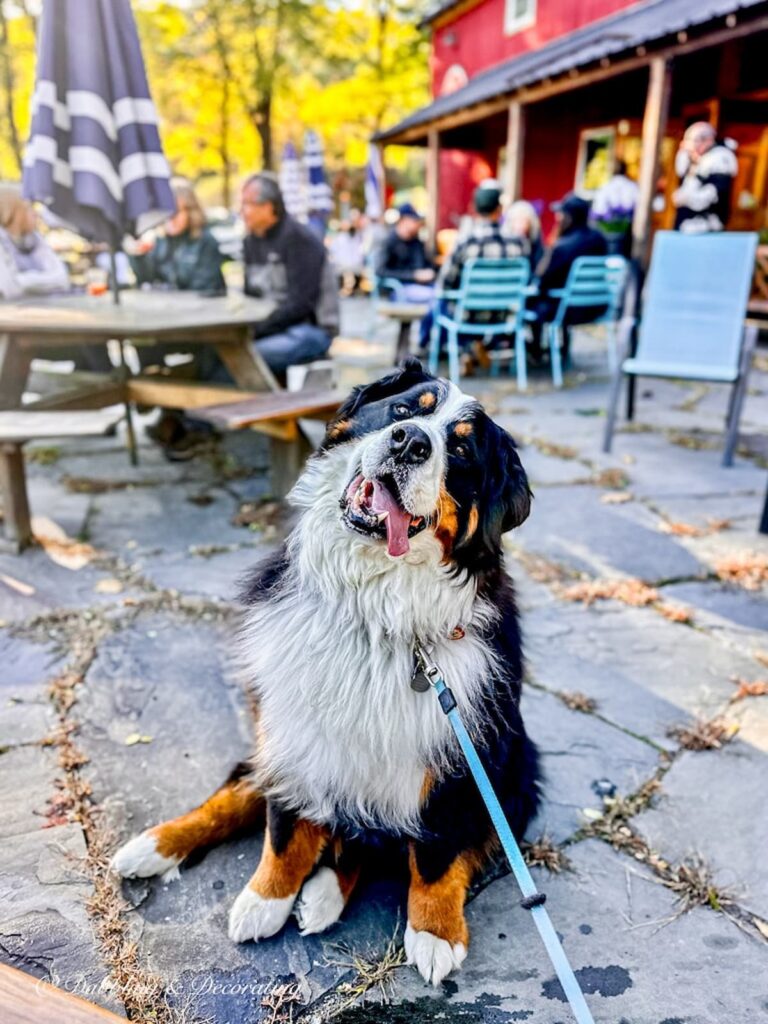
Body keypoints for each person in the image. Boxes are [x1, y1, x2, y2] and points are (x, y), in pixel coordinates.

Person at [240, 172, 339, 379]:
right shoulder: (250, 242)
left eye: (247, 204)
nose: (242, 211)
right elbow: (249, 296)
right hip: (270, 330)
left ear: (268, 207)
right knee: (218, 353)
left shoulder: (299, 239)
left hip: (310, 331)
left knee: (242, 359)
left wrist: (256, 331)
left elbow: (301, 306)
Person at [432, 179, 528, 367]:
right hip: (506, 314)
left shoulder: (465, 241)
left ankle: (464, 348)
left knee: (441, 304)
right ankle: (476, 348)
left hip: (468, 314)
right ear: (499, 209)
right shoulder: (518, 242)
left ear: (474, 209)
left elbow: (445, 283)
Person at [530, 192, 608, 363]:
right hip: (596, 306)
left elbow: (542, 281)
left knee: (535, 301)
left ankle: (535, 352)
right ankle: (561, 350)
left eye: (561, 213)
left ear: (570, 218)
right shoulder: (600, 239)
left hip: (567, 309)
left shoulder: (563, 246)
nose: (558, 217)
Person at [130, 178, 226, 294]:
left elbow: (205, 288)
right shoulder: (159, 242)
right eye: (166, 211)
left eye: (176, 212)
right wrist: (139, 256)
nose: (171, 218)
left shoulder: (206, 242)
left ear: (191, 211)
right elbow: (146, 280)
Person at [0, 183, 69, 300]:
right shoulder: (3, 241)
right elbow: (10, 289)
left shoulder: (35, 239)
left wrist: (23, 280)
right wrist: (46, 280)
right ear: (14, 212)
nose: (35, 213)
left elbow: (63, 279)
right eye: (29, 207)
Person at [673, 122, 738, 234]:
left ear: (708, 141)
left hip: (707, 226)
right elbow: (682, 174)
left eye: (692, 141)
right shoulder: (693, 158)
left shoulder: (720, 159)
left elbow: (710, 195)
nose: (686, 147)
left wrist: (685, 197)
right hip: (685, 224)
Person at [375, 203, 435, 302]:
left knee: (443, 294)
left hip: (422, 286)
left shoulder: (416, 242)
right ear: (404, 220)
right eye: (414, 220)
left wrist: (429, 273)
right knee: (434, 297)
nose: (418, 224)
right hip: (398, 289)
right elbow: (380, 271)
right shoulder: (389, 241)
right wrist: (413, 276)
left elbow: (426, 264)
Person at [590, 159, 639, 256]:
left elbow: (598, 209)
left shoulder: (605, 187)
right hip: (627, 233)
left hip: (607, 232)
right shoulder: (633, 187)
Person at [505, 199, 544, 270]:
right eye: (516, 221)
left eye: (524, 221)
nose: (520, 225)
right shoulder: (504, 243)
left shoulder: (535, 241)